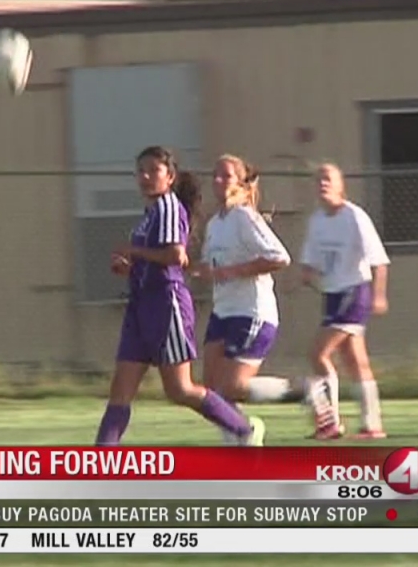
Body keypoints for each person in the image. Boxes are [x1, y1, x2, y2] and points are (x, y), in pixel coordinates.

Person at [95, 146, 265, 447]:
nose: (145, 177)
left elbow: (175, 255)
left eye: (153, 170)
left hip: (166, 305)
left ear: (170, 176)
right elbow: (155, 258)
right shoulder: (150, 214)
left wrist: (133, 251)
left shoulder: (168, 207)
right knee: (120, 390)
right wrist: (129, 267)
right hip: (140, 306)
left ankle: (243, 429)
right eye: (140, 171)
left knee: (181, 390)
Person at [192, 154, 292, 444]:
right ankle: (240, 438)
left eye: (226, 176)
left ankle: (299, 390)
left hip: (252, 312)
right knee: (209, 391)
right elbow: (214, 267)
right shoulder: (215, 224)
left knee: (233, 386)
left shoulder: (245, 216)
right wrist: (196, 269)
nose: (219, 181)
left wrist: (234, 270)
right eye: (215, 175)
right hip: (223, 312)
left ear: (240, 183)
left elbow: (279, 257)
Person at [299, 163, 391, 440]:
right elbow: (310, 260)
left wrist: (378, 295)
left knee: (318, 354)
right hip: (332, 295)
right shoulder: (316, 220)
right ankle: (372, 425)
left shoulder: (355, 216)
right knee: (355, 361)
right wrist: (306, 274)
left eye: (328, 179)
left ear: (341, 185)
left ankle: (330, 422)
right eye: (318, 180)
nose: (323, 183)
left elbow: (379, 261)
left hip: (354, 293)